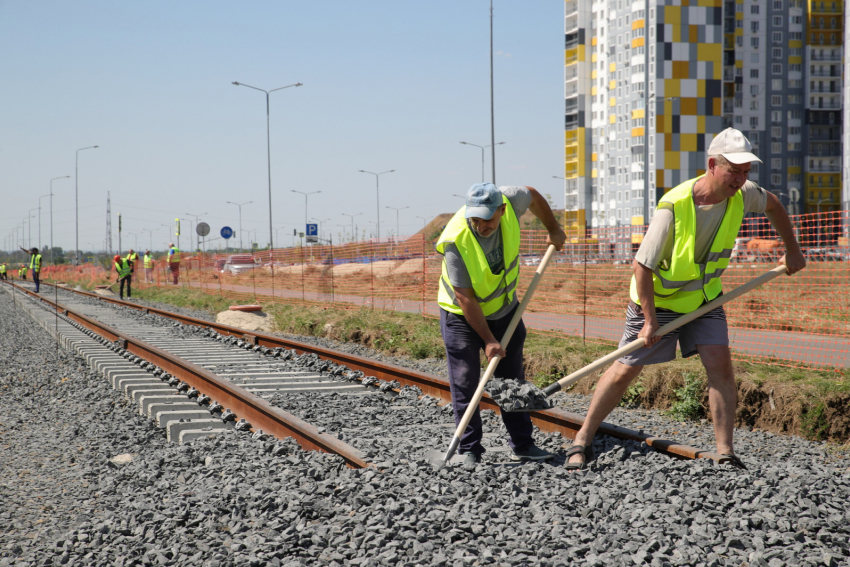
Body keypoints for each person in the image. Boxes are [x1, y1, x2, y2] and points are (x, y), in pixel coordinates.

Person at [565, 128, 806, 471]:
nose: (740, 179)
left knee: (720, 365)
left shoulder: (743, 194)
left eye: (745, 171)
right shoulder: (674, 207)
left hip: (704, 302)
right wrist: (649, 321)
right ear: (712, 165)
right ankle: (582, 439)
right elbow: (642, 266)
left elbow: (775, 205)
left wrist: (792, 249)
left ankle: (725, 453)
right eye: (733, 170)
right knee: (624, 371)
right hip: (658, 302)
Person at [436, 183, 567, 464]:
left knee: (512, 380)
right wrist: (488, 340)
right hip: (461, 315)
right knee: (466, 381)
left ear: (502, 210)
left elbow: (533, 193)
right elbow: (464, 297)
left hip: (505, 310)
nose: (482, 226)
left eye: (488, 219)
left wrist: (553, 228)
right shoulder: (455, 240)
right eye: (476, 219)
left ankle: (522, 444)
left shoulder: (511, 200)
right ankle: (469, 448)